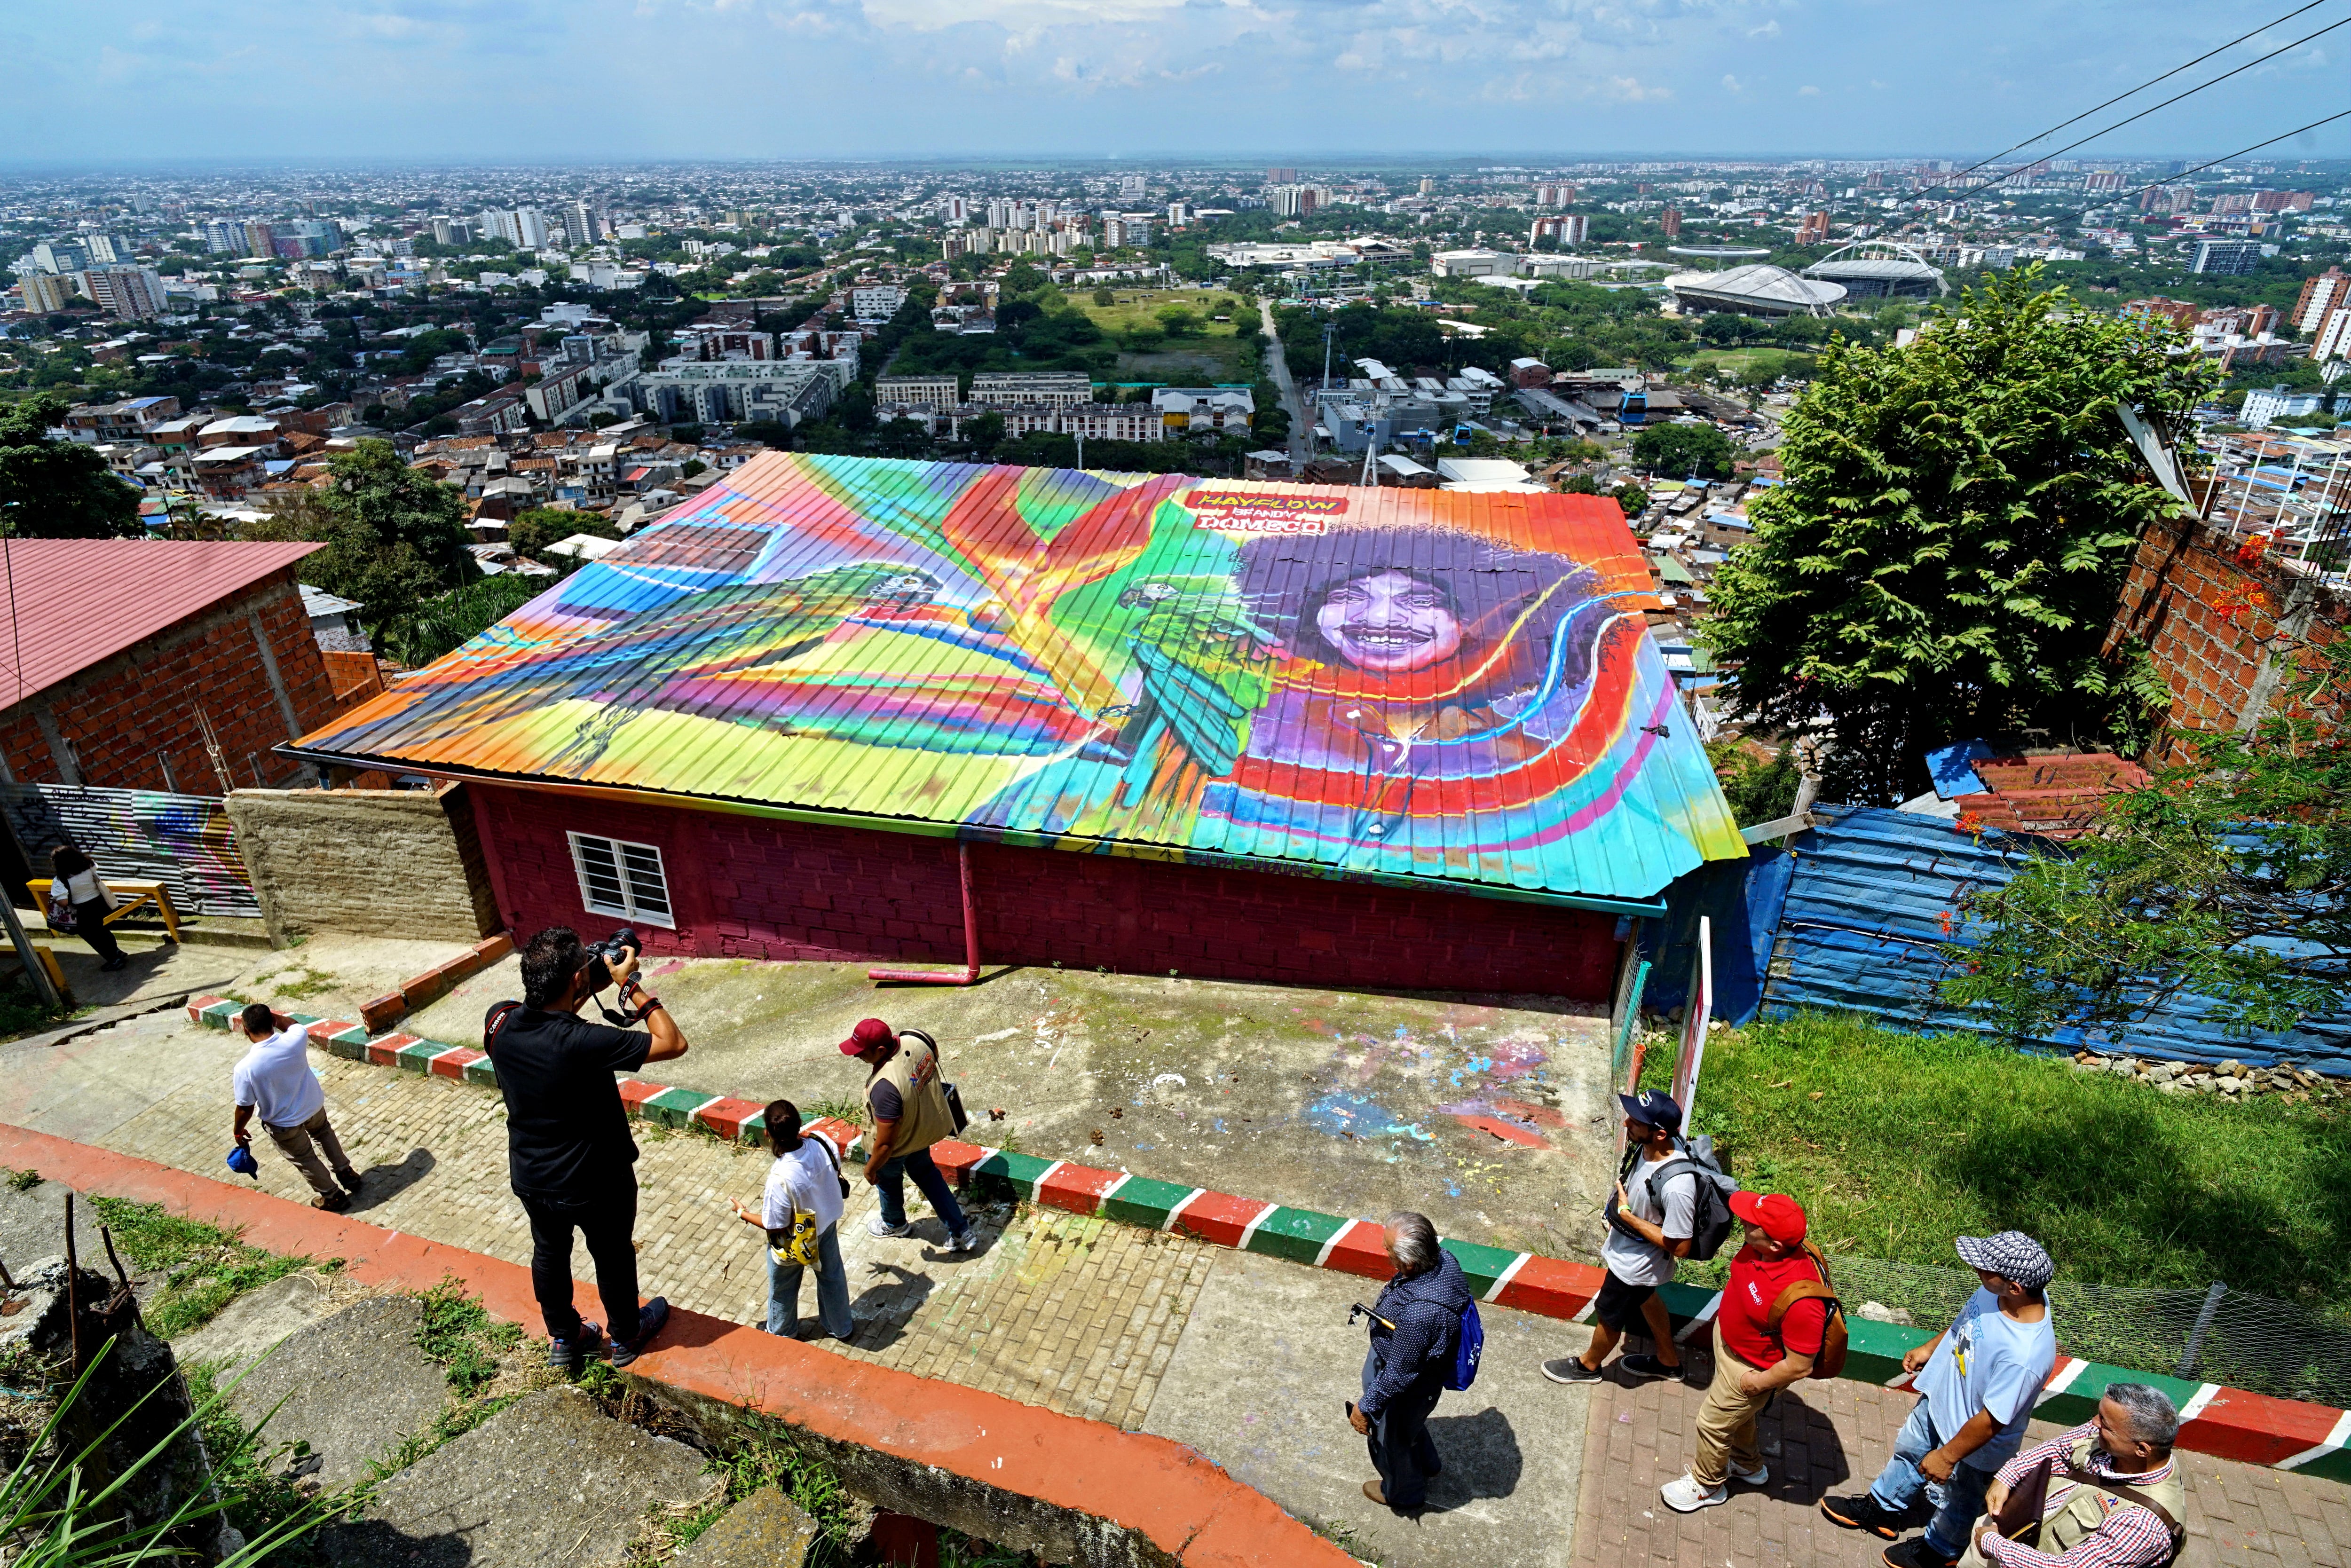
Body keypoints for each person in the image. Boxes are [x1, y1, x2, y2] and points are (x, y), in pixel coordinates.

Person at [487, 927, 689, 1376]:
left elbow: (549, 1012)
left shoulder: (498, 1022)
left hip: (533, 1177)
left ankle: (565, 1335)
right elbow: (672, 1042)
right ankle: (626, 1332)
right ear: (579, 981)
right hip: (596, 1180)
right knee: (613, 1253)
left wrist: (586, 976)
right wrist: (629, 984)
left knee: (550, 1252)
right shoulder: (584, 1042)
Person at [1823, 1232, 2059, 1568]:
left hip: (1974, 1445)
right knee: (1910, 1450)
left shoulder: (2026, 1356)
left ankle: (1941, 1550)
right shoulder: (1999, 1292)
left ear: (2016, 1287)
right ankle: (1884, 1509)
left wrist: (1948, 1457)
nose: (1976, 1269)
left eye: (1984, 1267)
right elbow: (1968, 1320)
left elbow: (1994, 1419)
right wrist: (1930, 1348)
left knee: (1959, 1500)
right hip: (1940, 1403)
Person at [1660, 1191, 1830, 1512]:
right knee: (1735, 1418)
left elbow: (1800, 1365)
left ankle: (1708, 1485)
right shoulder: (1758, 1247)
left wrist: (1759, 1382)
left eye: (1752, 1222)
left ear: (1776, 1245)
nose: (1743, 1221)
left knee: (1711, 1423)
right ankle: (1749, 1465)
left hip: (1751, 1370)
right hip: (1731, 1349)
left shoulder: (1803, 1302)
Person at [1542, 1089, 1695, 1385]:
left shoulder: (1678, 1187)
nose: (1627, 1123)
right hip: (1632, 1254)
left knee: (1610, 1316)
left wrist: (1628, 1217)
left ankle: (1588, 1367)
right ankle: (1669, 1362)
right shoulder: (1650, 1147)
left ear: (1661, 1134)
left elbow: (1682, 1246)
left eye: (1637, 1121)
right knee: (1647, 1297)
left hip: (1634, 1265)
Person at [1963, 1384, 2186, 1568]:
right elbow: (2059, 1449)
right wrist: (2008, 1476)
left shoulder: (2143, 1526)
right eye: (2099, 1415)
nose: (2095, 1423)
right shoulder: (2112, 1434)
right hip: (2009, 1530)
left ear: (2142, 1450)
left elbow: (2068, 1567)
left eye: (2105, 1425)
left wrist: (1993, 1544)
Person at [1348, 1211, 1472, 1513]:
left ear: (1409, 1263)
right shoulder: (1444, 1259)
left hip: (1408, 1384)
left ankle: (1404, 1493)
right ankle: (1428, 1463)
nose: (1384, 1251)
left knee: (1392, 1439)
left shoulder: (1421, 1314)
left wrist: (1365, 1409)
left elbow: (1398, 1375)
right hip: (1414, 1373)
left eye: (1388, 1249)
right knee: (1408, 1427)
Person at [840, 1017, 978, 1252]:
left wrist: (871, 1168)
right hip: (921, 1133)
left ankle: (895, 1225)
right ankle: (962, 1232)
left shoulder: (885, 1088)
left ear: (881, 1050)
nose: (856, 1056)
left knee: (888, 1183)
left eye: (862, 1052)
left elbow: (885, 1144)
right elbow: (932, 1056)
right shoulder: (916, 1040)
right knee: (930, 1177)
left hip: (895, 1149)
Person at [730, 1098, 854, 1344]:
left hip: (793, 1241)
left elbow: (774, 1223)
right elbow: (835, 1168)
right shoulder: (822, 1141)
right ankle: (841, 1327)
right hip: (826, 1226)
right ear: (800, 1124)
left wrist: (741, 1213)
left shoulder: (780, 1177)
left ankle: (782, 1332)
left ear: (768, 1134)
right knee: (833, 1278)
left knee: (783, 1288)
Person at [231, 1002, 363, 1212]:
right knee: (325, 1134)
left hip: (284, 1124)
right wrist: (274, 1017)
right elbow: (292, 1024)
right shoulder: (295, 1039)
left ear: (245, 1030)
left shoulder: (245, 1068)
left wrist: (238, 1130)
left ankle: (333, 1196)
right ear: (272, 1022)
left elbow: (245, 1107)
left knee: (305, 1158)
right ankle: (347, 1174)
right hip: (313, 1108)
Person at [49, 847, 125, 972]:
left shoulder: (60, 880)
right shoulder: (89, 866)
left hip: (82, 910)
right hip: (99, 903)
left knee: (92, 937)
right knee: (101, 929)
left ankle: (114, 960)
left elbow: (63, 902)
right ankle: (116, 951)